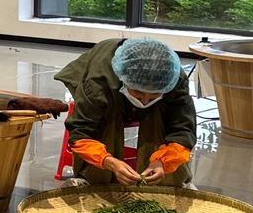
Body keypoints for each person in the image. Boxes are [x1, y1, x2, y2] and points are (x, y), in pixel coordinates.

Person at [54, 37, 197, 187]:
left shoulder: (172, 78)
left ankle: (167, 184)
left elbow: (183, 130)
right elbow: (81, 133)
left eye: (153, 95)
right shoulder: (98, 82)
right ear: (124, 80)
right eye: (138, 93)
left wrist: (162, 162)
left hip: (152, 95)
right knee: (108, 117)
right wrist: (110, 162)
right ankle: (92, 180)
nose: (145, 102)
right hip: (106, 89)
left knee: (159, 115)